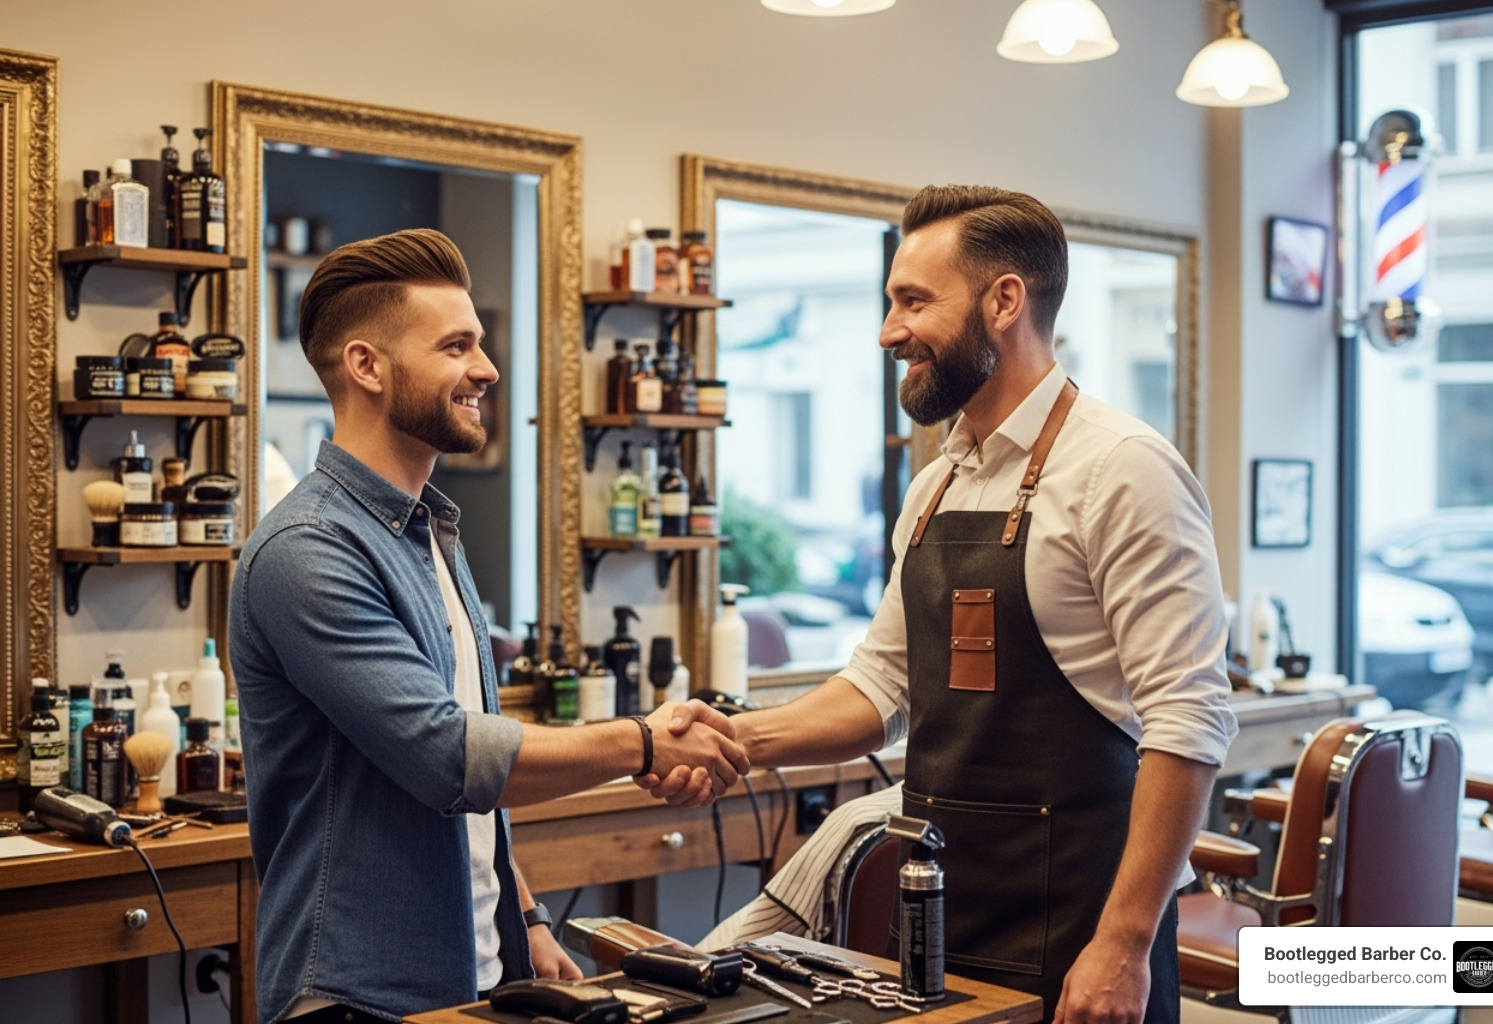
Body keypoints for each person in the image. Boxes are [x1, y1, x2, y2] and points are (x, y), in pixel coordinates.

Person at [654, 186, 1236, 1024]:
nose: (889, 331)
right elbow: (878, 692)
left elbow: (1189, 720)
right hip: (938, 920)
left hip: (1082, 930)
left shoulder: (1122, 469)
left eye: (913, 301)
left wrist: (1125, 941)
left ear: (1005, 301)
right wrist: (733, 738)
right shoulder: (935, 487)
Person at [231, 228, 747, 1024]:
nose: (487, 368)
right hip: (357, 992)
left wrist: (524, 912)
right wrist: (643, 742)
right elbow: (448, 755)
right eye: (456, 346)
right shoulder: (307, 551)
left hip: (470, 966)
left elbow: (471, 757)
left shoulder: (429, 530)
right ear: (367, 366)